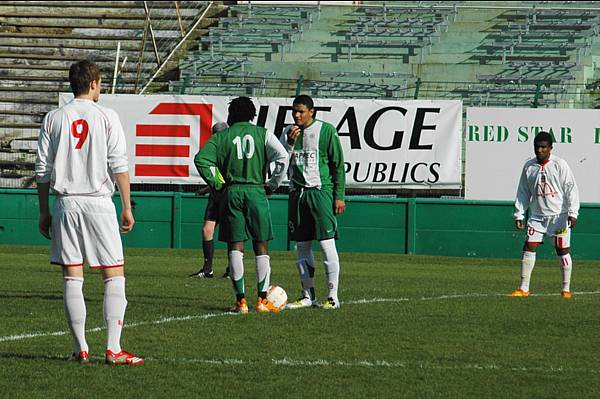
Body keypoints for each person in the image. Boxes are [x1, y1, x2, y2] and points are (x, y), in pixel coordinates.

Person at [35, 60, 143, 365]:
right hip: (98, 204)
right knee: (113, 274)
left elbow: (42, 170)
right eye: (100, 82)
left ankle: (81, 348)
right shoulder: (107, 116)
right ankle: (113, 348)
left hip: (65, 204)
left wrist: (44, 212)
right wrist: (126, 205)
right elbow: (118, 165)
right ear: (94, 84)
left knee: (72, 275)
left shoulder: (54, 118)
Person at [195, 96, 289, 313]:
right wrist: (273, 184)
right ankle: (262, 300)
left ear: (232, 115)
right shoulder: (262, 134)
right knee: (261, 244)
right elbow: (283, 157)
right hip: (257, 190)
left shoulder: (223, 136)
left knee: (235, 245)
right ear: (251, 115)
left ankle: (241, 301)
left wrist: (218, 184)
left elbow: (201, 159)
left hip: (232, 192)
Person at [282, 94, 346, 310]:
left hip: (320, 193)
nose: (297, 115)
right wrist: (289, 143)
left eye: (301, 111)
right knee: (302, 247)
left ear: (312, 112)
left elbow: (337, 165)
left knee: (327, 244)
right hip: (297, 195)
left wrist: (339, 195)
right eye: (294, 111)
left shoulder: (326, 131)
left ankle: (332, 296)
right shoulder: (288, 132)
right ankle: (308, 295)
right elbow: (281, 162)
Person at [511, 131, 579, 299]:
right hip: (536, 218)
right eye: (537, 147)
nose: (540, 150)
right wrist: (519, 213)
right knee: (529, 247)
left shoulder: (559, 164)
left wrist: (573, 212)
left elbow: (571, 188)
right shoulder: (529, 166)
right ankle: (523, 288)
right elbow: (523, 191)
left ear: (550, 148)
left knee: (562, 250)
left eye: (543, 147)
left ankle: (566, 289)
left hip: (559, 217)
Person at [189, 121, 231, 279]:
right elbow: (217, 177)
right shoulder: (213, 151)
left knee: (232, 234)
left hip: (228, 195)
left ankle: (232, 269)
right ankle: (207, 269)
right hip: (215, 195)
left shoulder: (230, 150)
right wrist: (206, 189)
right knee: (207, 230)